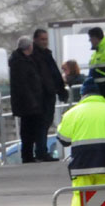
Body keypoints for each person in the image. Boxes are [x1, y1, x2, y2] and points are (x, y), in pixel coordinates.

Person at [57, 77, 105, 206]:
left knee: (81, 199)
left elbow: (64, 140)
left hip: (81, 166)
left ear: (82, 95)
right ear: (99, 94)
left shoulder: (72, 113)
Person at [32, 28, 67, 161]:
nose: (45, 42)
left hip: (48, 95)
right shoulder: (36, 55)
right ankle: (41, 151)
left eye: (46, 39)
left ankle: (41, 151)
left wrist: (61, 90)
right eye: (42, 39)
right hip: (42, 96)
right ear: (35, 39)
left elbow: (54, 74)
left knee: (46, 123)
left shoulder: (46, 54)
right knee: (42, 124)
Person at [8, 36, 44, 163]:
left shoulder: (19, 61)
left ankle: (28, 154)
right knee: (28, 130)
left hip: (26, 102)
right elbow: (24, 84)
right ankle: (27, 155)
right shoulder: (21, 62)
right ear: (29, 47)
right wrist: (33, 101)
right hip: (28, 103)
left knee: (28, 130)